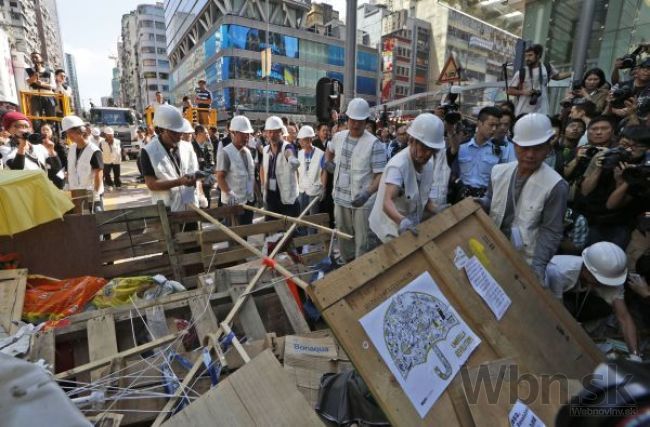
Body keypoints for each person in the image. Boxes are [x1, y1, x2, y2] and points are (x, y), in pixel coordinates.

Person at [480, 113, 569, 280]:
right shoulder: (499, 171)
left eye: (537, 148)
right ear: (514, 145)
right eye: (525, 148)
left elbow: (551, 230)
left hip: (525, 260)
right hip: (493, 246)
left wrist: (538, 267)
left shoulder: (556, 186)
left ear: (548, 148)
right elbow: (491, 201)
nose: (530, 154)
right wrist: (481, 203)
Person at [544, 242, 640, 360]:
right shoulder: (558, 271)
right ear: (586, 269)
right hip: (553, 298)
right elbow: (557, 313)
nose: (603, 284)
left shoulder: (611, 278)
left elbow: (624, 318)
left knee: (605, 308)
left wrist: (635, 355)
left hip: (578, 297)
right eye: (598, 281)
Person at [369, 113, 450, 243]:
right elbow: (387, 202)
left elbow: (422, 194)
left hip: (409, 229)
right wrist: (402, 221)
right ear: (412, 141)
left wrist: (435, 208)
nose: (427, 154)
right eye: (424, 148)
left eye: (432, 150)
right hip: (387, 230)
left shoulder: (428, 165)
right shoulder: (398, 166)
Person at [324, 98, 387, 262]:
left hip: (362, 202)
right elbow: (329, 150)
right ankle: (348, 266)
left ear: (366, 121)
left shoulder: (374, 144)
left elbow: (381, 175)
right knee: (344, 237)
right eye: (352, 120)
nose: (355, 125)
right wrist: (328, 162)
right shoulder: (339, 137)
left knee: (363, 241)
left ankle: (362, 271)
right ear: (347, 118)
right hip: (340, 198)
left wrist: (367, 193)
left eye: (360, 121)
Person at [577, 125, 649, 248]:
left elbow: (612, 205)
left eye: (636, 147)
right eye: (625, 144)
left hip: (620, 223)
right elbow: (585, 191)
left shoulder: (642, 170)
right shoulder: (606, 155)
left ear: (647, 149)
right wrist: (599, 167)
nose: (629, 150)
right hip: (592, 216)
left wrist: (622, 180)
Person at [140, 104, 199, 212]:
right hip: (168, 211)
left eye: (180, 131)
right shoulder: (148, 151)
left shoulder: (187, 147)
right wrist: (179, 182)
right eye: (174, 132)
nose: (179, 135)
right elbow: (151, 184)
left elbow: (194, 172)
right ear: (161, 130)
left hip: (191, 207)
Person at [452, 106, 505, 200]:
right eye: (491, 125)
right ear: (479, 123)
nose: (494, 129)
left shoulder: (498, 151)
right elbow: (452, 173)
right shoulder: (461, 147)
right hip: (460, 198)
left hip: (483, 201)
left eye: (496, 126)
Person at [0, 111, 64, 189]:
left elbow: (56, 168)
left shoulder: (38, 147)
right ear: (8, 129)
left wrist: (51, 150)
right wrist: (22, 146)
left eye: (26, 126)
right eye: (17, 126)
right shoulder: (5, 149)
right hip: (23, 193)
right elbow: (16, 169)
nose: (22, 129)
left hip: (42, 190)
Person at [507, 44, 571, 116]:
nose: (527, 58)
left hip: (542, 110)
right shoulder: (522, 72)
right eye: (526, 56)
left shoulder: (547, 67)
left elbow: (557, 76)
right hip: (524, 111)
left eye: (530, 55)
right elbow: (509, 91)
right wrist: (524, 92)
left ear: (538, 55)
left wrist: (571, 74)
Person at [216, 115, 256, 225]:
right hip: (232, 203)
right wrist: (229, 193)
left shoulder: (247, 152)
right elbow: (220, 177)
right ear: (233, 133)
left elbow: (249, 175)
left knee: (244, 235)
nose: (246, 137)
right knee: (234, 237)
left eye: (248, 134)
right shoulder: (226, 153)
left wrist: (252, 193)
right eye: (243, 134)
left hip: (247, 201)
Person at [260, 115, 301, 218]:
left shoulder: (286, 146)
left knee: (290, 231)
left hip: (287, 199)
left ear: (281, 132)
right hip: (271, 198)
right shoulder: (265, 150)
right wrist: (262, 185)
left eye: (275, 132)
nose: (272, 135)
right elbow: (262, 168)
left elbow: (289, 152)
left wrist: (291, 158)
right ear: (266, 133)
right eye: (270, 132)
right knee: (271, 230)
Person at [62, 115, 104, 211]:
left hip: (91, 194)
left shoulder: (94, 151)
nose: (69, 136)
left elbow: (99, 173)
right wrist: (67, 185)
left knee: (96, 222)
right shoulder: (72, 148)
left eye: (71, 132)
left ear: (80, 131)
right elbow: (70, 168)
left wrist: (96, 193)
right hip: (76, 194)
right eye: (67, 133)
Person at [296, 125, 324, 215]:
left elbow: (324, 172)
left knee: (313, 216)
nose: (300, 142)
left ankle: (312, 230)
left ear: (309, 139)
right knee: (301, 214)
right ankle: (302, 230)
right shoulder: (299, 154)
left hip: (314, 189)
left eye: (302, 140)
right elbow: (297, 172)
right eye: (299, 140)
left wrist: (324, 188)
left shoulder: (321, 154)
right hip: (302, 189)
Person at [25, 52, 56, 123]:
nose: (34, 59)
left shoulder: (49, 71)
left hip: (49, 96)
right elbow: (27, 82)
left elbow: (54, 86)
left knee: (51, 118)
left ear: (41, 58)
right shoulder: (28, 70)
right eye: (32, 57)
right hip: (35, 96)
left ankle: (51, 132)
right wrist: (34, 77)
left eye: (36, 57)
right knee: (36, 119)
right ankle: (38, 133)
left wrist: (42, 84)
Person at [192, 124, 214, 207]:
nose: (207, 135)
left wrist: (206, 175)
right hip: (195, 179)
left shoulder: (209, 146)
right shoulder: (191, 146)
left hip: (206, 179)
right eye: (206, 133)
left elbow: (211, 163)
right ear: (199, 134)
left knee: (207, 201)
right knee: (196, 202)